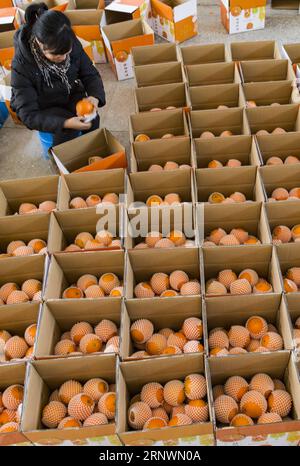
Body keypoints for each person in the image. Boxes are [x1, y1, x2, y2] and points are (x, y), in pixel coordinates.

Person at [11, 2, 105, 146]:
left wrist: (94, 96)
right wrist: (65, 123)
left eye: (67, 53)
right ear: (39, 43)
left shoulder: (68, 42)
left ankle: (92, 155)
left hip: (69, 91)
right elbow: (27, 114)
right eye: (56, 55)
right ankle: (63, 161)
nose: (63, 58)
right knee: (67, 131)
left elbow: (90, 74)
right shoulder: (22, 64)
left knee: (92, 118)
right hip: (43, 104)